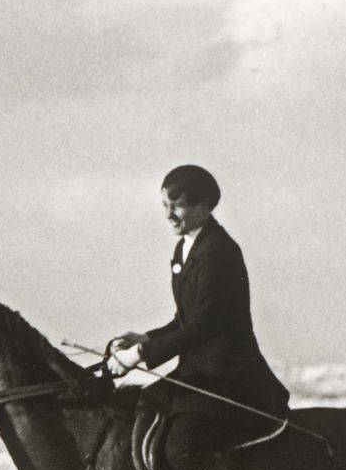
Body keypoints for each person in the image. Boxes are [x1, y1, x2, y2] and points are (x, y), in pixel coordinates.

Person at [107, 163, 290, 448]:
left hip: (229, 378)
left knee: (181, 451)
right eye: (165, 205)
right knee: (142, 407)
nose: (168, 215)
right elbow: (185, 319)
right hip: (198, 373)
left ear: (204, 205)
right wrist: (146, 338)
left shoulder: (219, 250)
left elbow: (205, 325)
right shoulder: (185, 247)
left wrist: (140, 354)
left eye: (177, 206)